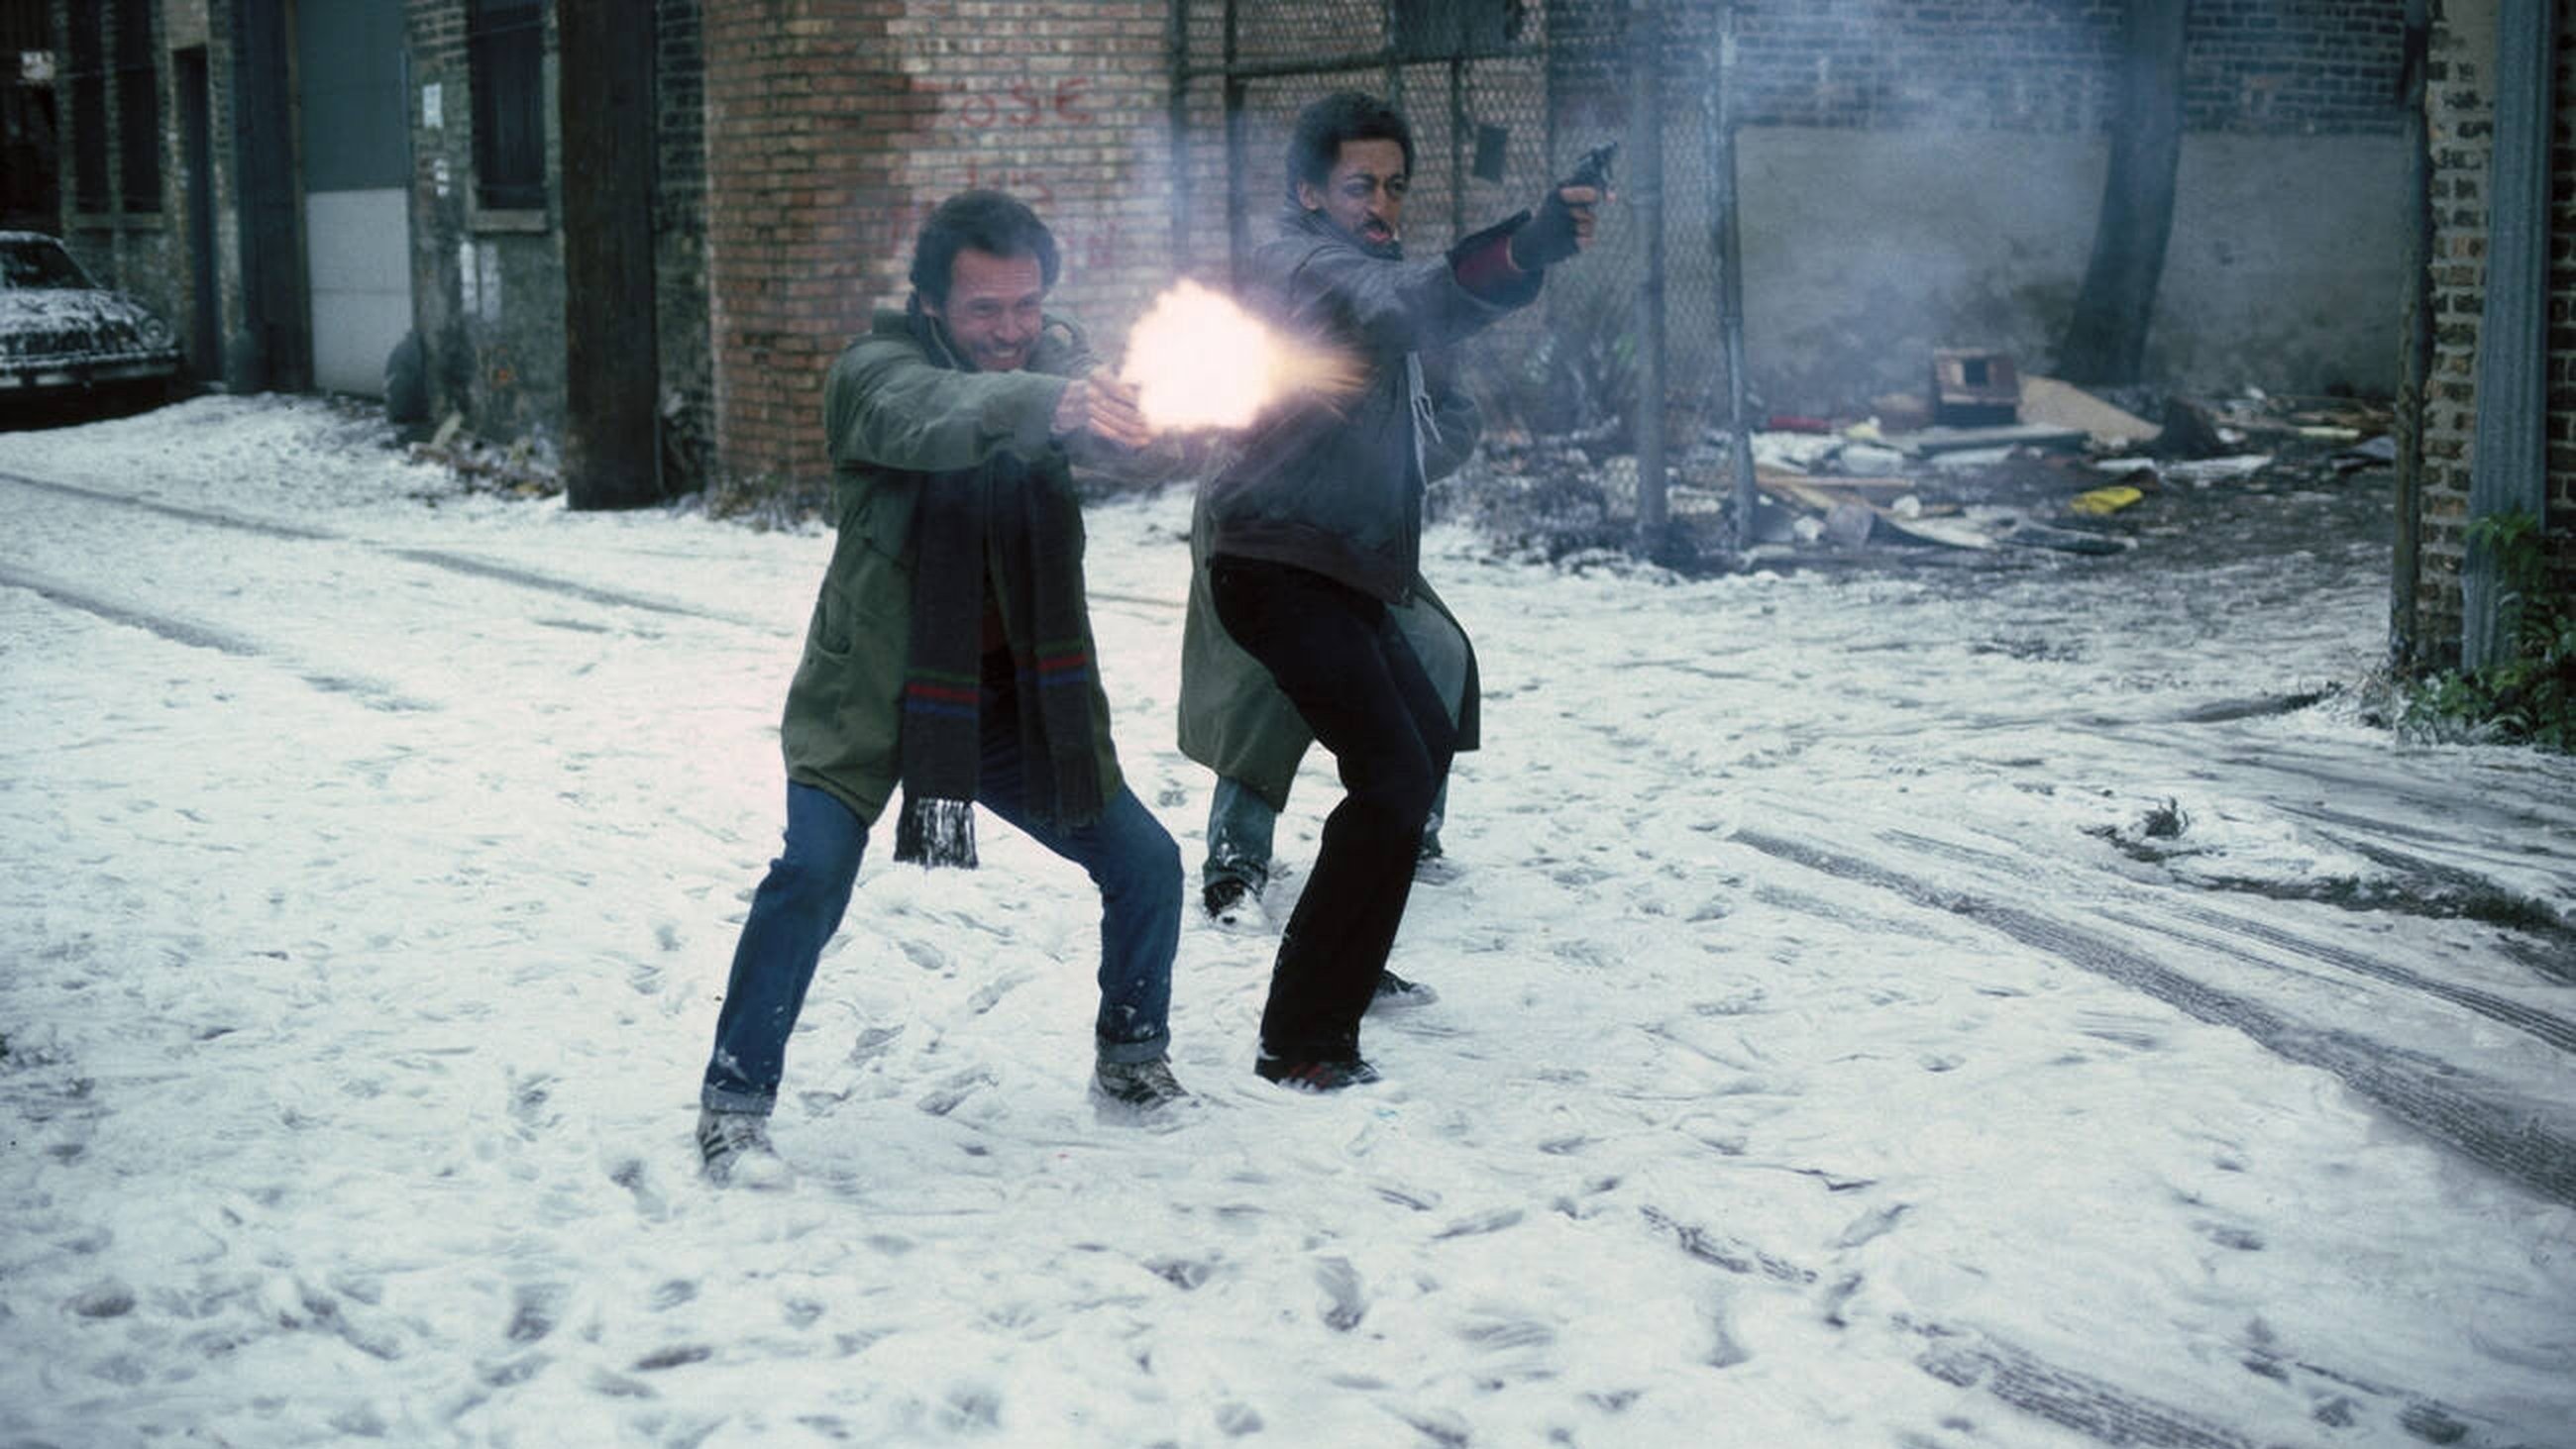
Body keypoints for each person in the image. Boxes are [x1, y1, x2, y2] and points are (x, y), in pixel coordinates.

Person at [696, 191, 1192, 1182]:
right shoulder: (874, 373)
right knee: (810, 874)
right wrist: (1050, 405)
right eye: (983, 310)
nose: (1010, 331)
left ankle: (1131, 1058)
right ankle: (733, 1104)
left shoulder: (1058, 366)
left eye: (1025, 306)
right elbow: (934, 414)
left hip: (1011, 706)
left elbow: (1114, 437)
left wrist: (1146, 417)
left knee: (1147, 863)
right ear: (929, 305)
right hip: (873, 695)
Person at [1197, 92, 1600, 1091]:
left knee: (1413, 754)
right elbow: (1405, 302)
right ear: (1309, 192)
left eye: (1393, 186)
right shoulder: (1304, 264)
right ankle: (1302, 1035)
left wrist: (1518, 260)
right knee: (1387, 774)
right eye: (1358, 187)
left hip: (1343, 566)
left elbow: (1424, 334)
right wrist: (1526, 246)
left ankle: (1343, 966)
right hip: (1276, 563)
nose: (1380, 205)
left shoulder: (1361, 266)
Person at [1178, 352, 1484, 1024]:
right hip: (1260, 533)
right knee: (1262, 689)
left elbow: (1430, 437)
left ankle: (1406, 839)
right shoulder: (1315, 306)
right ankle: (1235, 864)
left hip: (1354, 542)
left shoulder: (1411, 336)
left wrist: (1434, 414)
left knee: (1437, 656)